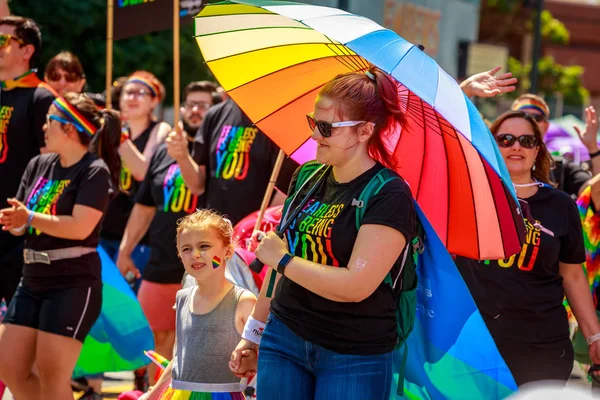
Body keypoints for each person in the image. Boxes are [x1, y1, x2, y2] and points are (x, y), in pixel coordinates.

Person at [229, 66, 418, 399]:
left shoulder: (389, 193)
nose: (315, 136)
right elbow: (275, 276)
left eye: (327, 128)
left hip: (354, 352)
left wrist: (283, 259)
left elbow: (355, 285)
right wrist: (253, 334)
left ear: (364, 131)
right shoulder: (307, 176)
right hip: (283, 337)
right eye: (313, 123)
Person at [455, 110, 600, 386]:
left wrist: (594, 337)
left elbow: (573, 276)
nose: (516, 146)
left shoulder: (560, 205)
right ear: (490, 145)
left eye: (526, 140)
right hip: (475, 345)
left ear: (538, 151)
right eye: (505, 139)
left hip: (542, 347)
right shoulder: (468, 197)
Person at [0, 92, 121, 400]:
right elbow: (25, 223)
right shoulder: (38, 164)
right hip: (31, 277)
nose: (43, 127)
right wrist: (17, 222)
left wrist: (29, 216)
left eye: (49, 121)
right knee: (9, 366)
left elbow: (80, 227)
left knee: (53, 374)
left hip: (73, 282)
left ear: (68, 128)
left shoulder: (94, 170)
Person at [116, 82, 215, 386]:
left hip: (200, 264)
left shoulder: (214, 151)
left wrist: (185, 156)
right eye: (190, 103)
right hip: (160, 258)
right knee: (150, 339)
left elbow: (201, 186)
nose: (196, 110)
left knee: (184, 343)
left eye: (204, 104)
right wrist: (125, 250)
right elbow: (144, 206)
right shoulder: (163, 150)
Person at [138, 209, 257, 400]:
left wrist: (250, 360)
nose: (195, 254)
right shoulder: (183, 298)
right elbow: (181, 360)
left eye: (204, 246)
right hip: (178, 395)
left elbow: (265, 356)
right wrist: (152, 394)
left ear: (228, 251)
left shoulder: (243, 301)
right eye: (186, 249)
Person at [168, 97, 294, 226]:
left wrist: (262, 228)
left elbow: (286, 190)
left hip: (252, 235)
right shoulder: (215, 115)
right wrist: (182, 156)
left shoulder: (279, 118)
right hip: (215, 233)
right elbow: (197, 186)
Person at [0, 16, 55, 307]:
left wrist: (31, 220)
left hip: (18, 230)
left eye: (3, 40)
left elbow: (52, 165)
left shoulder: (41, 97)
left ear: (26, 51)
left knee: (17, 322)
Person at [100, 71, 171, 284]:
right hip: (105, 231)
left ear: (154, 101)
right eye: (128, 93)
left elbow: (142, 171)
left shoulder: (161, 130)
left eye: (141, 93)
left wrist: (119, 137)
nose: (132, 98)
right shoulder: (112, 129)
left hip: (139, 238)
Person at [511, 94, 595, 197]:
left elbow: (595, 195)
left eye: (537, 117)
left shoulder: (562, 169)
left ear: (546, 127)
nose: (530, 121)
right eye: (522, 115)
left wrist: (593, 148)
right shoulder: (496, 164)